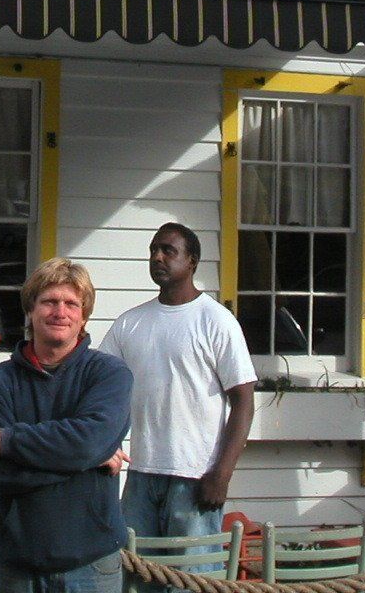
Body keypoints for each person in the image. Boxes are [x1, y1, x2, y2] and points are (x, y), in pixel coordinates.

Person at [0, 258, 133, 593]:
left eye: (72, 303)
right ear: (30, 310)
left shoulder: (110, 375)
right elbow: (2, 473)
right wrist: (88, 461)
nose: (61, 312)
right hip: (17, 566)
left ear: (83, 316)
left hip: (91, 566)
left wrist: (5, 441)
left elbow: (88, 443)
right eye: (49, 301)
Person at [101, 222, 256, 557]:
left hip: (197, 477)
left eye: (168, 250)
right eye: (153, 250)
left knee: (193, 582)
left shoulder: (217, 321)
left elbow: (243, 401)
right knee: (139, 578)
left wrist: (222, 474)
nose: (158, 257)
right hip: (141, 474)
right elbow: (99, 385)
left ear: (192, 262)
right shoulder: (130, 323)